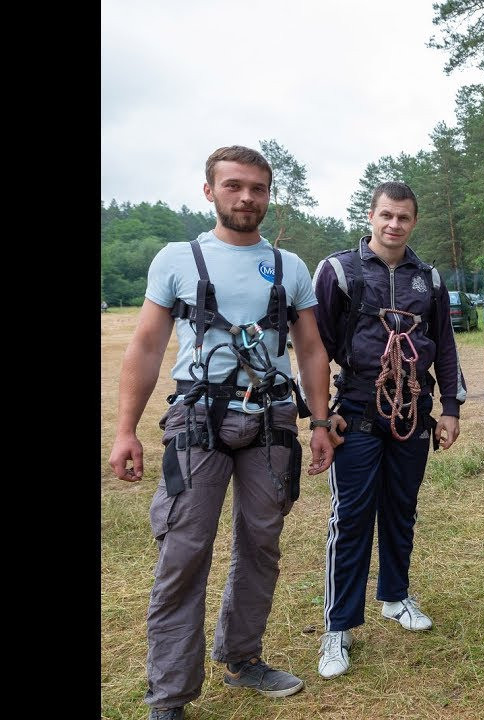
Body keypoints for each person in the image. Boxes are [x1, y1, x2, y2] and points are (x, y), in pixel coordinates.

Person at [108, 145, 335, 720]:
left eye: (257, 188)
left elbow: (311, 349)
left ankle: (242, 658)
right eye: (233, 185)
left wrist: (320, 422)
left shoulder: (290, 267)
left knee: (261, 544)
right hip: (198, 419)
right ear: (209, 191)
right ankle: (169, 695)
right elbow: (147, 346)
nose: (246, 197)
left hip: (272, 420)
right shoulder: (177, 259)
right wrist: (125, 430)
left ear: (268, 195)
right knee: (184, 551)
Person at [311, 181, 465, 679]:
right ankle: (338, 626)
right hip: (357, 408)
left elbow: (445, 345)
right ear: (370, 216)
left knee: (401, 509)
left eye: (403, 217)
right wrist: (321, 415)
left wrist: (450, 408)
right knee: (352, 516)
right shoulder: (339, 271)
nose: (394, 224)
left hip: (413, 410)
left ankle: (395, 597)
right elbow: (315, 347)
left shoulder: (429, 278)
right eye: (386, 215)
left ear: (414, 222)